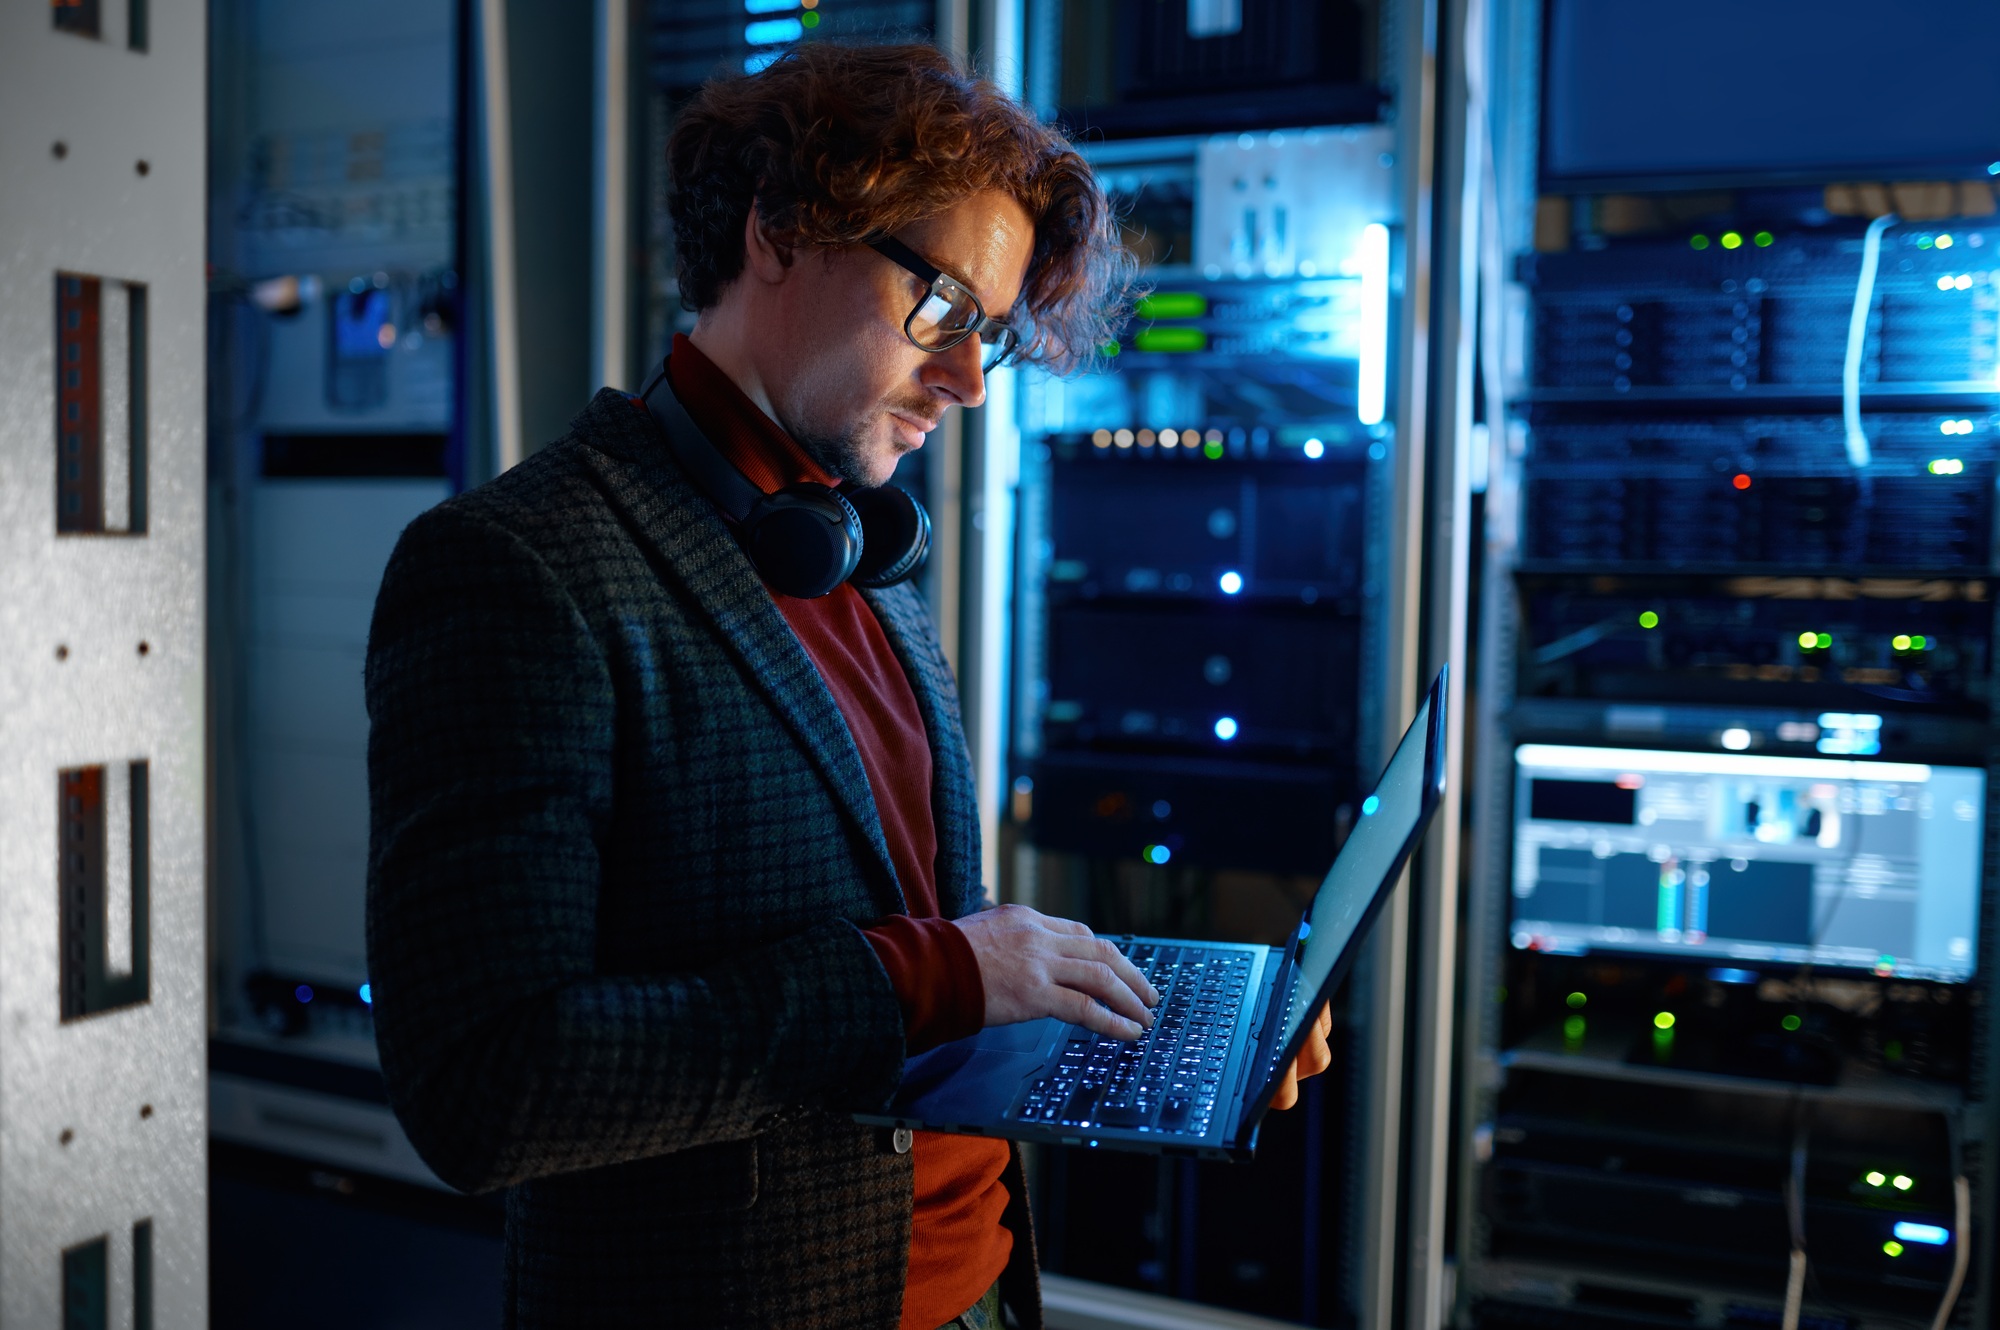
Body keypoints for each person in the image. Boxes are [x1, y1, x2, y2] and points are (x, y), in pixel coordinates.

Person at [365, 42, 1333, 1330]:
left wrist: (1145, 1015)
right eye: (939, 306)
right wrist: (916, 978)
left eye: (987, 333)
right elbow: (485, 1091)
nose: (969, 381)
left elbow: (923, 940)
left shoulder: (853, 545)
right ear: (779, 228)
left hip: (974, 1285)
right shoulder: (518, 568)